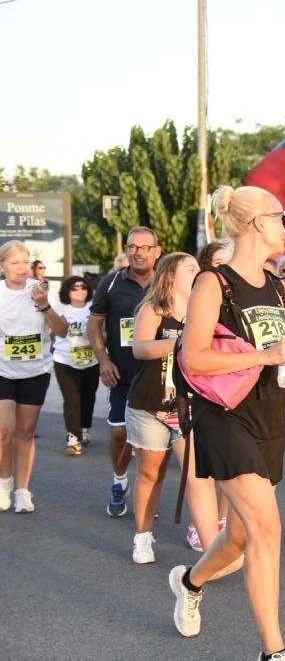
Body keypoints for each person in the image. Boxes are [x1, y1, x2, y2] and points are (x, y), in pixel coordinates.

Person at [168, 185, 285, 660]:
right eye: (281, 217)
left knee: (238, 535)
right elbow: (193, 358)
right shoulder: (214, 282)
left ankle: (190, 581)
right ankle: (274, 652)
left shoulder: (277, 285)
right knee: (267, 530)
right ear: (257, 223)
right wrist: (265, 354)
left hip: (266, 414)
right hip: (222, 416)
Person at [127, 252, 224, 566]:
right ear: (170, 275)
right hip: (152, 403)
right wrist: (183, 344)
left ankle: (212, 550)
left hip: (191, 406)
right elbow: (140, 349)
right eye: (190, 268)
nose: (198, 271)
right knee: (150, 474)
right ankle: (143, 536)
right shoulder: (155, 308)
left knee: (199, 476)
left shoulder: (206, 312)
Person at [88, 226, 162, 517]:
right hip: (121, 375)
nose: (139, 252)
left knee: (151, 444)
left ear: (156, 251)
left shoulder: (167, 283)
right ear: (127, 250)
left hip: (158, 376)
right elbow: (94, 324)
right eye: (133, 247)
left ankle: (148, 492)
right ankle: (119, 481)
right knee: (119, 434)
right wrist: (104, 361)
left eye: (145, 247)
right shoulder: (110, 283)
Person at [0, 241, 68, 513]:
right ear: (2, 265)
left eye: (24, 263)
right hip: (3, 370)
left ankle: (23, 491)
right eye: (14, 263)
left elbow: (62, 331)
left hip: (35, 371)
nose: (20, 268)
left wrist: (43, 306)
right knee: (4, 432)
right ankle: (4, 482)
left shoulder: (41, 291)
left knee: (25, 432)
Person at [53, 276, 100, 456]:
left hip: (91, 361)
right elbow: (53, 328)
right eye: (74, 287)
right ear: (67, 291)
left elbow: (102, 331)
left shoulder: (94, 309)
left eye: (83, 287)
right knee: (72, 399)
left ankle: (85, 428)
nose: (79, 290)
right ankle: (73, 437)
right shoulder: (60, 309)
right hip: (65, 360)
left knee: (88, 397)